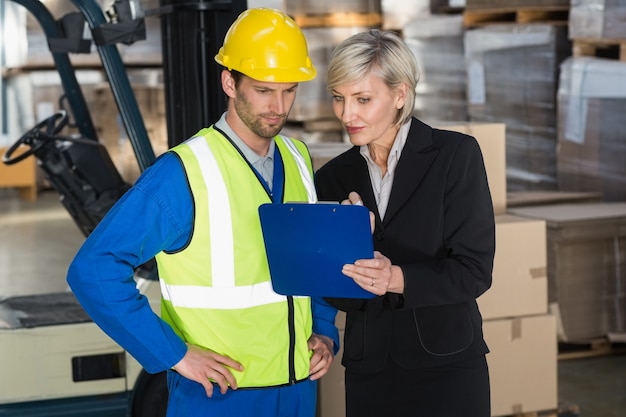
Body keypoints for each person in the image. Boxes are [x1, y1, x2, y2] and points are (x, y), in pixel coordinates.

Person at [67, 8, 338, 417]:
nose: (278, 107)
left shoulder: (297, 158)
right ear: (229, 81)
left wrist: (323, 328)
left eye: (289, 90)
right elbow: (93, 269)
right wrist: (174, 354)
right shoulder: (184, 172)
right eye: (264, 90)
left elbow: (310, 259)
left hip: (297, 389)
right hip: (220, 395)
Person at [315, 29, 496, 417]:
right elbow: (338, 292)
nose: (348, 114)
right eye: (339, 98)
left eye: (363, 99)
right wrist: (347, 248)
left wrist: (395, 278)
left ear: (401, 94)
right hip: (371, 370)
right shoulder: (333, 177)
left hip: (446, 367)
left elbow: (474, 271)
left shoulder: (454, 156)